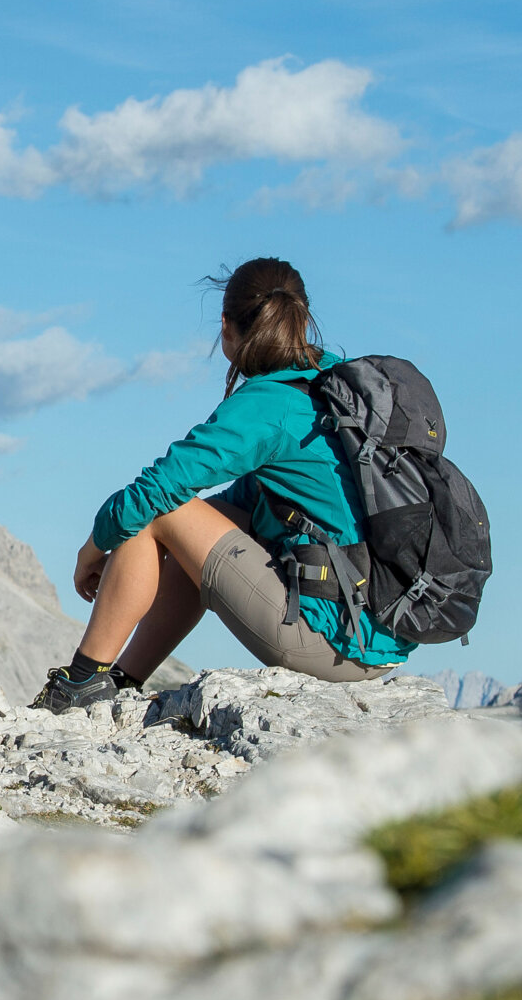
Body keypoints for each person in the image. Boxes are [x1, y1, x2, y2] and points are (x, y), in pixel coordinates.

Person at [39, 257, 416, 710]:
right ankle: (120, 682)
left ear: (226, 325)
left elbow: (158, 490)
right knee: (179, 525)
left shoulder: (267, 403)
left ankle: (80, 683)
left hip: (334, 641)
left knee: (156, 509)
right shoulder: (331, 386)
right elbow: (246, 505)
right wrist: (165, 547)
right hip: (377, 634)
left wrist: (91, 551)